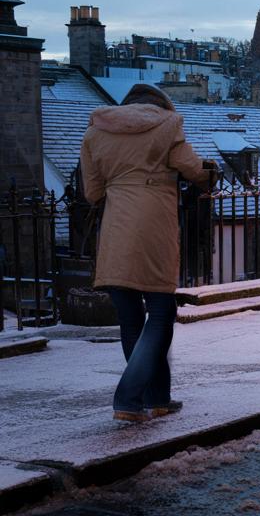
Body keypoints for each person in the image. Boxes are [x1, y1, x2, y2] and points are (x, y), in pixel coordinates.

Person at [80, 83, 210, 423]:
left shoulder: (95, 131)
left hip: (116, 226)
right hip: (154, 223)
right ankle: (128, 397)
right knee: (162, 311)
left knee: (130, 317)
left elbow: (93, 192)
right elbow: (193, 169)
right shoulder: (168, 124)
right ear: (158, 105)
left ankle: (158, 397)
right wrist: (204, 174)